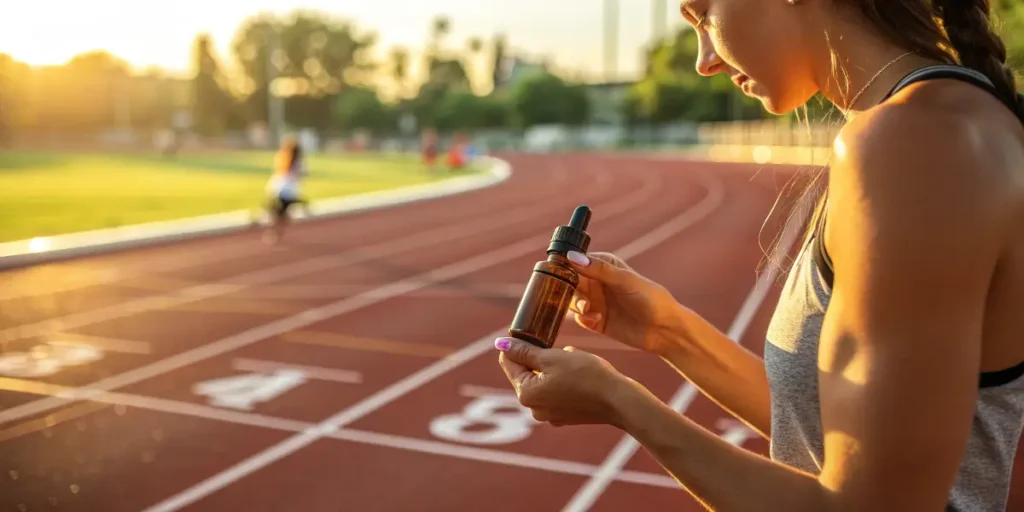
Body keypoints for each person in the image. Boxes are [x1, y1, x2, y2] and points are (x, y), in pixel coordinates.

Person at [495, 1, 1024, 510]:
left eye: (704, 14)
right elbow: (826, 431)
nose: (704, 61)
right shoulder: (924, 126)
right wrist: (669, 332)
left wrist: (620, 402)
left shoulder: (917, 142)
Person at [262, 136, 309, 245]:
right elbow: (303, 174)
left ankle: (274, 230)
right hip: (288, 192)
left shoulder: (282, 157)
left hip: (276, 188)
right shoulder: (298, 162)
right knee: (282, 216)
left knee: (280, 215)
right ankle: (275, 231)